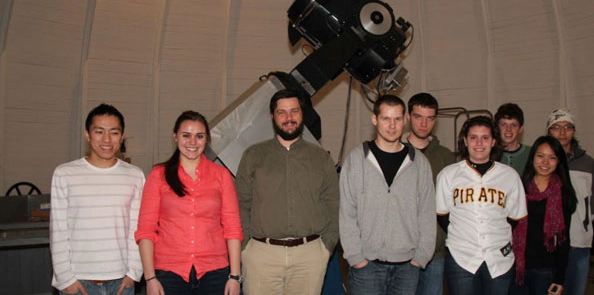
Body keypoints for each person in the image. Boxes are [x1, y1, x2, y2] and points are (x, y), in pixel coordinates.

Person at [235, 89, 338, 295]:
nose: (289, 118)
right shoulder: (253, 155)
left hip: (310, 257)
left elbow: (333, 204)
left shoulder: (320, 157)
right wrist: (246, 248)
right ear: (273, 116)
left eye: (294, 111)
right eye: (282, 112)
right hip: (261, 257)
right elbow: (240, 204)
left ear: (302, 114)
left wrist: (325, 248)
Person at [135, 110, 243, 295]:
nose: (192, 142)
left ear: (206, 139)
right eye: (186, 135)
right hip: (169, 274)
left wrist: (234, 276)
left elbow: (233, 228)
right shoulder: (158, 175)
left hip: (215, 273)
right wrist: (150, 278)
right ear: (175, 136)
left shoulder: (221, 175)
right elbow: (146, 230)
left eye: (199, 136)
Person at [340, 94, 436, 294]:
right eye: (386, 118)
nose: (392, 126)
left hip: (407, 268)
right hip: (366, 268)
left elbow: (427, 214)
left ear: (405, 120)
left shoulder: (419, 163)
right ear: (375, 119)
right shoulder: (357, 159)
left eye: (397, 119)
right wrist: (357, 258)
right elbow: (347, 213)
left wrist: (420, 258)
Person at [50, 103, 144, 294]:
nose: (107, 139)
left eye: (114, 132)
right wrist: (65, 279)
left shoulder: (135, 175)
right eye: (99, 132)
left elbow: (137, 228)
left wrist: (134, 273)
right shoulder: (65, 174)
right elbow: (58, 230)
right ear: (87, 134)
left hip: (121, 282)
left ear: (122, 136)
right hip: (79, 282)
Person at [436, 116, 527, 295]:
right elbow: (443, 217)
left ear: (494, 141)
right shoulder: (448, 174)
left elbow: (514, 218)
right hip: (462, 257)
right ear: (465, 140)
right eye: (473, 137)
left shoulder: (509, 175)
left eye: (485, 137)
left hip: (499, 258)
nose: (479, 143)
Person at [545, 108, 594, 295]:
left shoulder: (587, 163)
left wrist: (582, 222)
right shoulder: (541, 162)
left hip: (578, 243)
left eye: (567, 127)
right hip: (547, 244)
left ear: (573, 130)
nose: (562, 132)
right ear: (549, 131)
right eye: (556, 127)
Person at [511, 136, 577, 295]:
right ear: (532, 157)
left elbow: (564, 239)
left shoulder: (563, 192)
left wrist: (559, 278)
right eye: (540, 156)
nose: (545, 162)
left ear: (558, 162)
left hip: (545, 270)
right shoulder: (518, 187)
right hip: (515, 266)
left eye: (552, 157)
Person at [405, 92, 456, 295]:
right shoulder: (393, 151)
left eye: (430, 118)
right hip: (401, 251)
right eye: (418, 117)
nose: (424, 124)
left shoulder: (446, 157)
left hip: (435, 253)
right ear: (408, 117)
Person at [496, 103, 531, 176]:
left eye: (513, 125)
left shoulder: (531, 153)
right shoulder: (489, 154)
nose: (508, 129)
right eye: (503, 124)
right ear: (497, 128)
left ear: (521, 129)